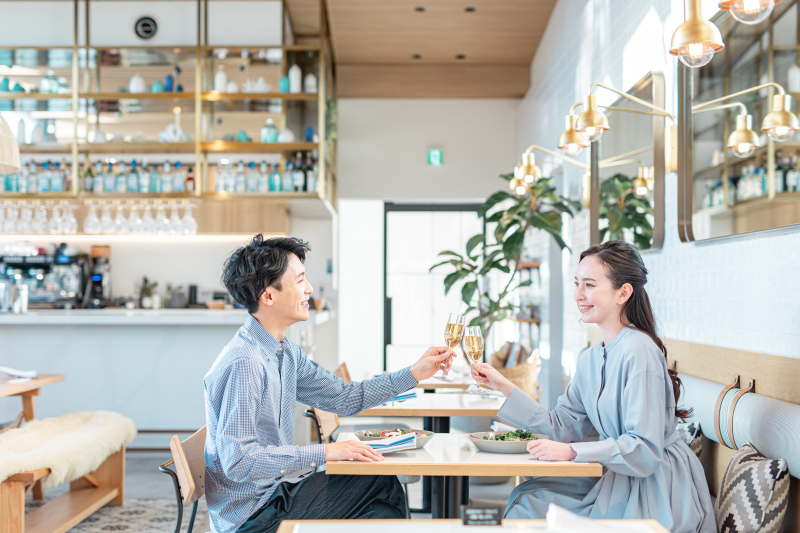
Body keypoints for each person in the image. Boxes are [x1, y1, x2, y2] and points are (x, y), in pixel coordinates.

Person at [205, 235, 452, 533]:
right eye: (299, 281)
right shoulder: (245, 362)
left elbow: (345, 397)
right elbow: (239, 462)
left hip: (276, 494)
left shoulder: (285, 351)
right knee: (379, 480)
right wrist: (326, 452)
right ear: (268, 296)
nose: (309, 289)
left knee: (379, 494)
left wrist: (414, 373)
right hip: (252, 516)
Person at [471, 241, 715, 533]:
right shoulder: (589, 358)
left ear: (623, 292)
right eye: (577, 284)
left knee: (530, 504)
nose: (578, 295)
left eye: (589, 285)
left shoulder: (640, 351)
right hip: (620, 475)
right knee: (527, 494)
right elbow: (561, 426)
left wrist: (572, 452)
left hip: (657, 489)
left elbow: (646, 450)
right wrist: (504, 386)